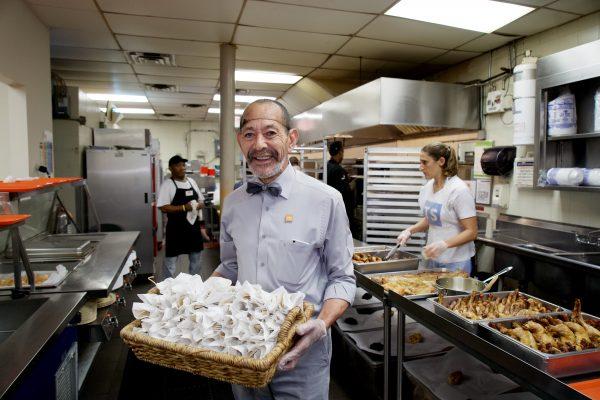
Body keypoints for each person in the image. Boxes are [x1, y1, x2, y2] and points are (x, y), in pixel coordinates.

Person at [212, 99, 356, 400]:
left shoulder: (325, 200)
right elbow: (229, 267)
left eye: (270, 132)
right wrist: (192, 300)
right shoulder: (234, 204)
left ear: (291, 139)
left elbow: (342, 278)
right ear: (240, 141)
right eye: (249, 134)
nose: (259, 144)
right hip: (243, 348)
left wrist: (322, 324)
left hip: (302, 351)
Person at [397, 142, 477, 273]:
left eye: (425, 162)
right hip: (432, 258)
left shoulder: (458, 190)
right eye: (420, 162)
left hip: (455, 262)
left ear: (441, 161)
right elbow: (432, 218)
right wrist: (410, 230)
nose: (420, 167)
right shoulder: (427, 188)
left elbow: (471, 231)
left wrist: (445, 244)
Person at [157, 155, 209, 279]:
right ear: (171, 168)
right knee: (170, 264)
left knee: (196, 262)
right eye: (178, 165)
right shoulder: (168, 185)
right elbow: (163, 207)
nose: (182, 168)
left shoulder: (191, 182)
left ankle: (194, 289)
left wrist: (198, 205)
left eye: (183, 165)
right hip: (176, 230)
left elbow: (201, 200)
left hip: (193, 228)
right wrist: (184, 208)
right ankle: (166, 291)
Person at [325, 141, 355, 232]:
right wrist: (352, 183)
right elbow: (344, 190)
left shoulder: (325, 167)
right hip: (342, 211)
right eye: (342, 152)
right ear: (340, 152)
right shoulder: (338, 170)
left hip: (329, 210)